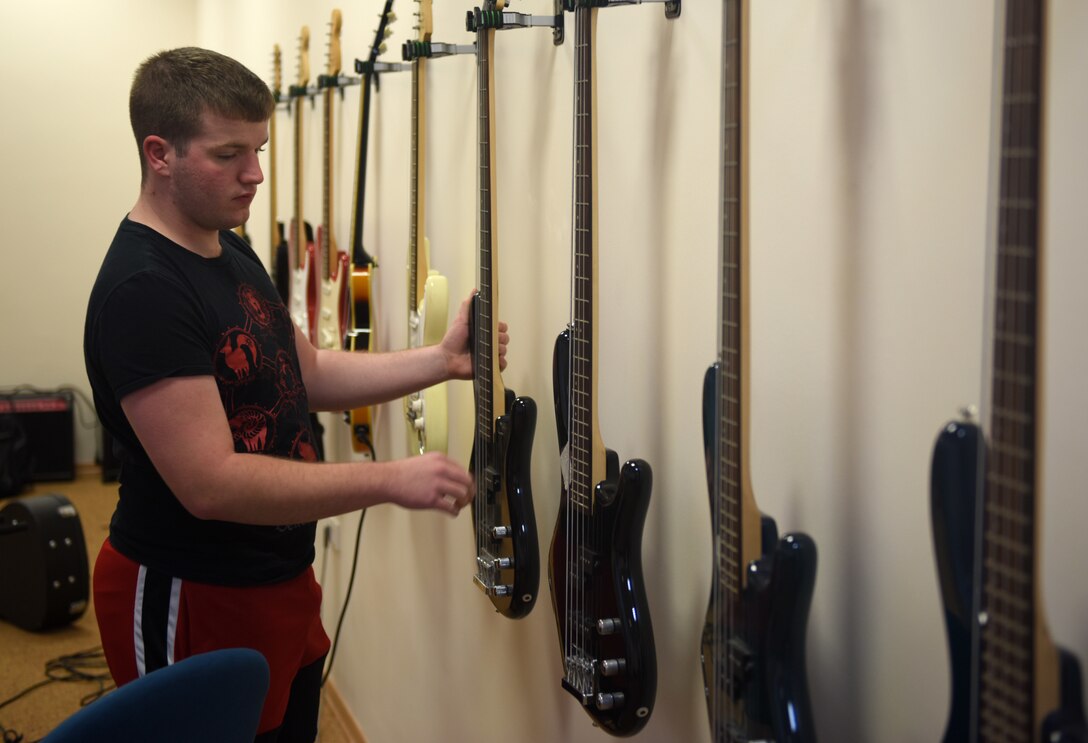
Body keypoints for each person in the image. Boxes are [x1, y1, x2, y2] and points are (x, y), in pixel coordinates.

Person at [83, 47, 501, 743]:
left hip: (278, 579)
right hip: (192, 590)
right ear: (159, 153)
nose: (256, 174)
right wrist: (390, 478)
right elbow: (211, 483)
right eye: (229, 155)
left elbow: (301, 371)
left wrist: (440, 360)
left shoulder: (226, 243)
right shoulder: (144, 291)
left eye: (259, 149)